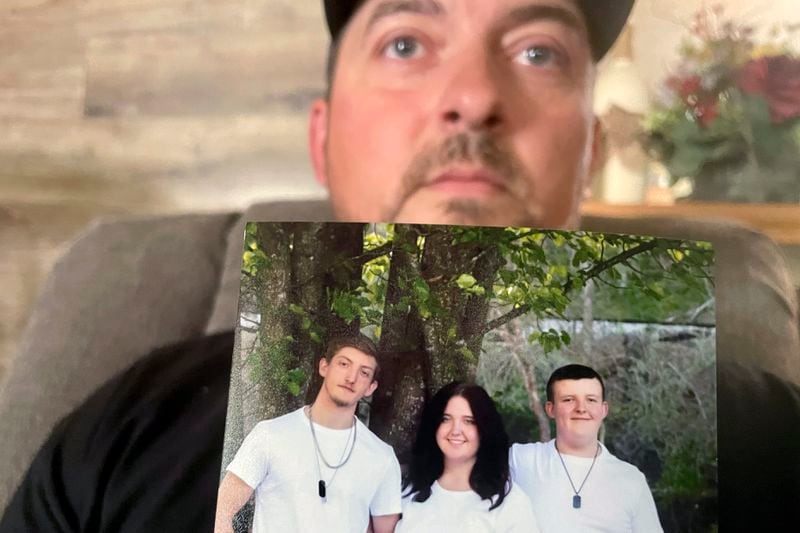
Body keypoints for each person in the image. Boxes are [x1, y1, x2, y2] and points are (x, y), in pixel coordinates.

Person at [2, 0, 799, 531]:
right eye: (406, 41)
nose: (474, 94)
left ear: (590, 153)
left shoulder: (769, 439)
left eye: (537, 50)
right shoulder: (129, 429)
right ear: (323, 140)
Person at [213, 335, 401, 533]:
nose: (351, 378)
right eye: (344, 364)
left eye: (364, 373)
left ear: (371, 388)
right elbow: (221, 510)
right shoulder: (270, 435)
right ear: (324, 367)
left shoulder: (382, 457)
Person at [510, 364, 662, 532]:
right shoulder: (519, 460)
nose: (581, 408)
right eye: (568, 399)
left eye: (591, 400)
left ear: (604, 409)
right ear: (550, 409)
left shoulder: (632, 480)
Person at [397, 381, 540, 533]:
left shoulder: (509, 502)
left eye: (469, 421)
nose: (455, 430)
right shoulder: (406, 491)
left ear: (485, 429)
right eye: (446, 419)